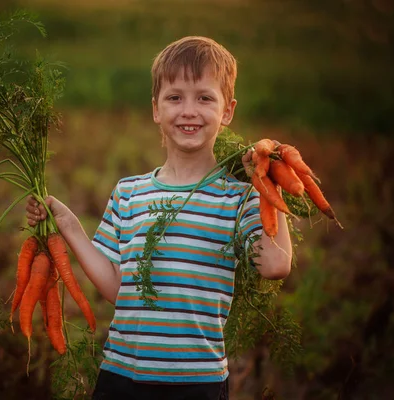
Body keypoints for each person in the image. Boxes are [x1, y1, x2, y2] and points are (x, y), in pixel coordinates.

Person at [25, 36, 292, 400]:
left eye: (204, 98)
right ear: (155, 109)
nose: (189, 111)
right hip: (121, 375)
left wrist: (266, 182)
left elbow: (275, 265)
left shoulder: (237, 196)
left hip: (197, 382)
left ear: (227, 111)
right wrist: (69, 225)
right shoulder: (129, 192)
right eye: (175, 97)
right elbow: (117, 288)